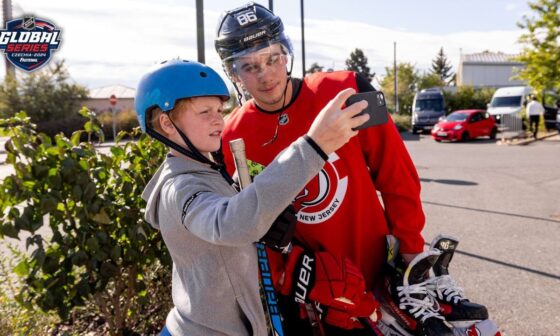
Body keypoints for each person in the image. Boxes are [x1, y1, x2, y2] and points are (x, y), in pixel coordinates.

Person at [215, 3, 441, 335]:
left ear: (285, 52)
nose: (264, 74)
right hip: (306, 294)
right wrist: (286, 274)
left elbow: (397, 175)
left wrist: (410, 250)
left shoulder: (347, 89)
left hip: (377, 277)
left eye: (272, 58)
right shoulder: (231, 136)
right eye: (248, 66)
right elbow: (246, 224)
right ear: (232, 73)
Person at [135, 59, 374, 335]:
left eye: (219, 109)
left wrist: (265, 221)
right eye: (204, 112)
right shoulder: (180, 189)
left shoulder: (207, 173)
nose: (218, 119)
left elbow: (235, 221)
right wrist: (314, 146)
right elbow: (228, 223)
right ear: (166, 123)